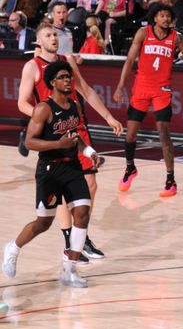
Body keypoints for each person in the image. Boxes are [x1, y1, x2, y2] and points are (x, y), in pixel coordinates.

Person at [17, 23, 123, 262]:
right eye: (48, 35)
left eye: (55, 34)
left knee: (91, 184)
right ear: (38, 41)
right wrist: (43, 118)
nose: (53, 38)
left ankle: (80, 236)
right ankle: (70, 242)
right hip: (53, 132)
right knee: (64, 189)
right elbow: (22, 102)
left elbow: (86, 90)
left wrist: (108, 116)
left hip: (77, 127)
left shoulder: (68, 62)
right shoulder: (32, 66)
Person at [3, 60, 99, 288]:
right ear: (53, 82)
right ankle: (13, 248)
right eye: (63, 77)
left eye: (69, 77)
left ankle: (70, 270)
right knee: (43, 222)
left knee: (83, 213)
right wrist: (58, 143)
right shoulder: (43, 109)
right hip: (49, 169)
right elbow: (30, 142)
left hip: (72, 166)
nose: (68, 80)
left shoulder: (74, 105)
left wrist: (88, 150)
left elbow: (75, 137)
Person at [113, 4, 183, 197]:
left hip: (162, 90)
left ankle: (170, 180)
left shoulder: (176, 37)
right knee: (130, 134)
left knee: (164, 133)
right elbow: (129, 61)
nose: (166, 19)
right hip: (141, 88)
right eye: (162, 16)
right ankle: (130, 168)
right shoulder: (143, 33)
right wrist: (120, 86)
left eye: (169, 16)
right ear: (155, 18)